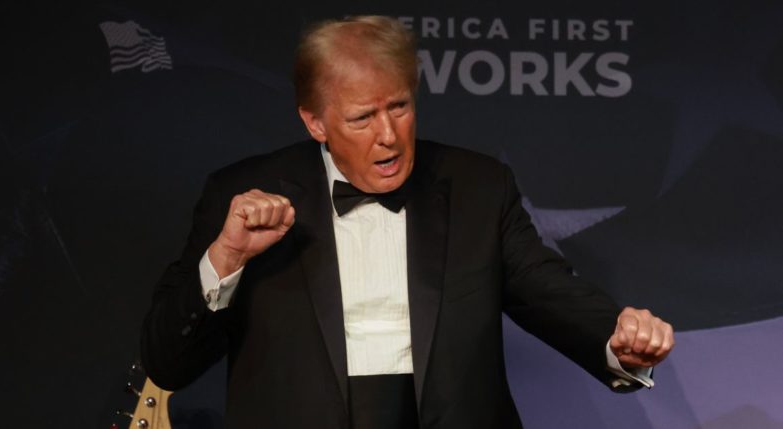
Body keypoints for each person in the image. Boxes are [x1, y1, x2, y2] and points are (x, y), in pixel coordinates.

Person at [141, 15, 674, 429]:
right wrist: (227, 258)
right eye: (361, 118)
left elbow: (548, 289)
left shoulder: (478, 187)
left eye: (398, 107)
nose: (389, 136)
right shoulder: (243, 196)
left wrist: (615, 341)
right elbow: (169, 363)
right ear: (314, 121)